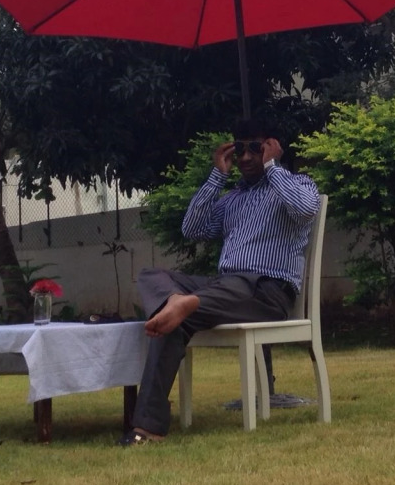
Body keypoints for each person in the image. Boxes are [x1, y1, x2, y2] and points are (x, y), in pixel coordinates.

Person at [119, 119, 321, 446]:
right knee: (153, 277)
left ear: (271, 147)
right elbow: (192, 229)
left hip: (267, 292)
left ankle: (183, 306)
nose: (245, 157)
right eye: (239, 149)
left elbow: (306, 209)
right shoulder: (233, 199)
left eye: (254, 148)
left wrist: (272, 167)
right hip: (224, 288)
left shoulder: (298, 184)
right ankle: (149, 426)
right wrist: (217, 176)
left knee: (208, 298)